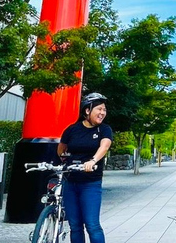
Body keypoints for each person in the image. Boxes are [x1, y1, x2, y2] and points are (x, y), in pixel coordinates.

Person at [58, 92, 113, 243]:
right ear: (87, 110)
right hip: (70, 182)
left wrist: (93, 160)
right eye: (99, 109)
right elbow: (61, 149)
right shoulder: (72, 130)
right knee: (75, 225)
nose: (102, 113)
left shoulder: (104, 129)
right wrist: (64, 159)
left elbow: (105, 146)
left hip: (90, 183)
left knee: (92, 225)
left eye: (104, 110)